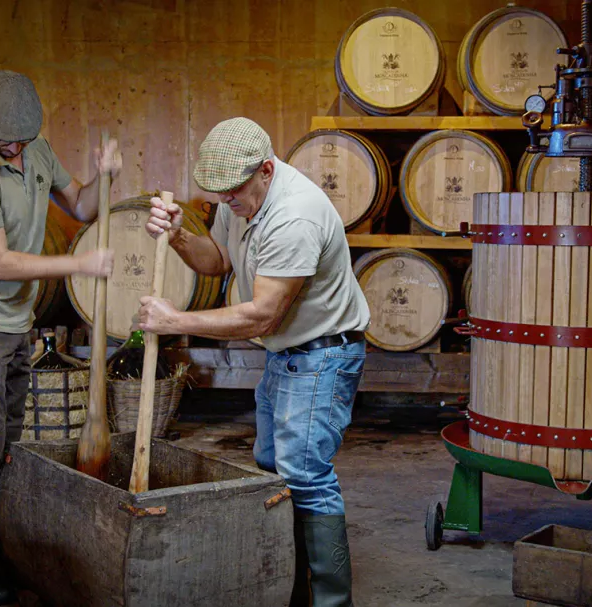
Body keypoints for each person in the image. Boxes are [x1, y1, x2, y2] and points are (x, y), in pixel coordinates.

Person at [139, 117, 370, 606]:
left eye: (235, 194)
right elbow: (218, 259)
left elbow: (263, 316)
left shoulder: (294, 215)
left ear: (267, 169)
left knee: (306, 474)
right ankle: (291, 585)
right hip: (287, 355)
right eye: (221, 196)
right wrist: (181, 236)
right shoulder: (243, 198)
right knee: (272, 465)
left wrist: (175, 321)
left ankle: (331, 602)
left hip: (322, 354)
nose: (228, 203)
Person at [0, 69, 119, 606]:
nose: (13, 148)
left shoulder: (35, 151)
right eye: (3, 139)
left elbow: (80, 205)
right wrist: (77, 262)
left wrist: (103, 177)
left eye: (22, 139)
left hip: (14, 322)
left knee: (6, 444)